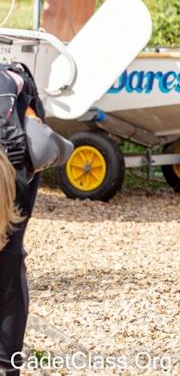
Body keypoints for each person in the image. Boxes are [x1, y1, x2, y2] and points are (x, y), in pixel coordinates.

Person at [0, 63, 73, 375]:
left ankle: (6, 362)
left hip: (21, 148)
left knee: (8, 254)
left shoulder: (27, 147)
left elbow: (53, 150)